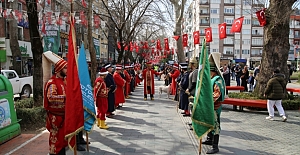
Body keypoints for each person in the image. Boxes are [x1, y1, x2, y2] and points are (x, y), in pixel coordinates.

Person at [42, 51, 68, 155]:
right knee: (56, 140)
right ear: (58, 70)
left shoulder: (64, 81)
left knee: (62, 140)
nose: (67, 70)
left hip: (64, 116)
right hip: (56, 118)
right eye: (65, 68)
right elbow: (51, 97)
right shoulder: (52, 82)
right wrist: (67, 98)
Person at [202, 53, 225, 154]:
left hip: (214, 106)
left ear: (213, 71)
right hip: (209, 106)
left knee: (215, 125)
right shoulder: (211, 79)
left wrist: (207, 100)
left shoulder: (217, 80)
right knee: (209, 123)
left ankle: (215, 146)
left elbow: (217, 93)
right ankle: (209, 139)